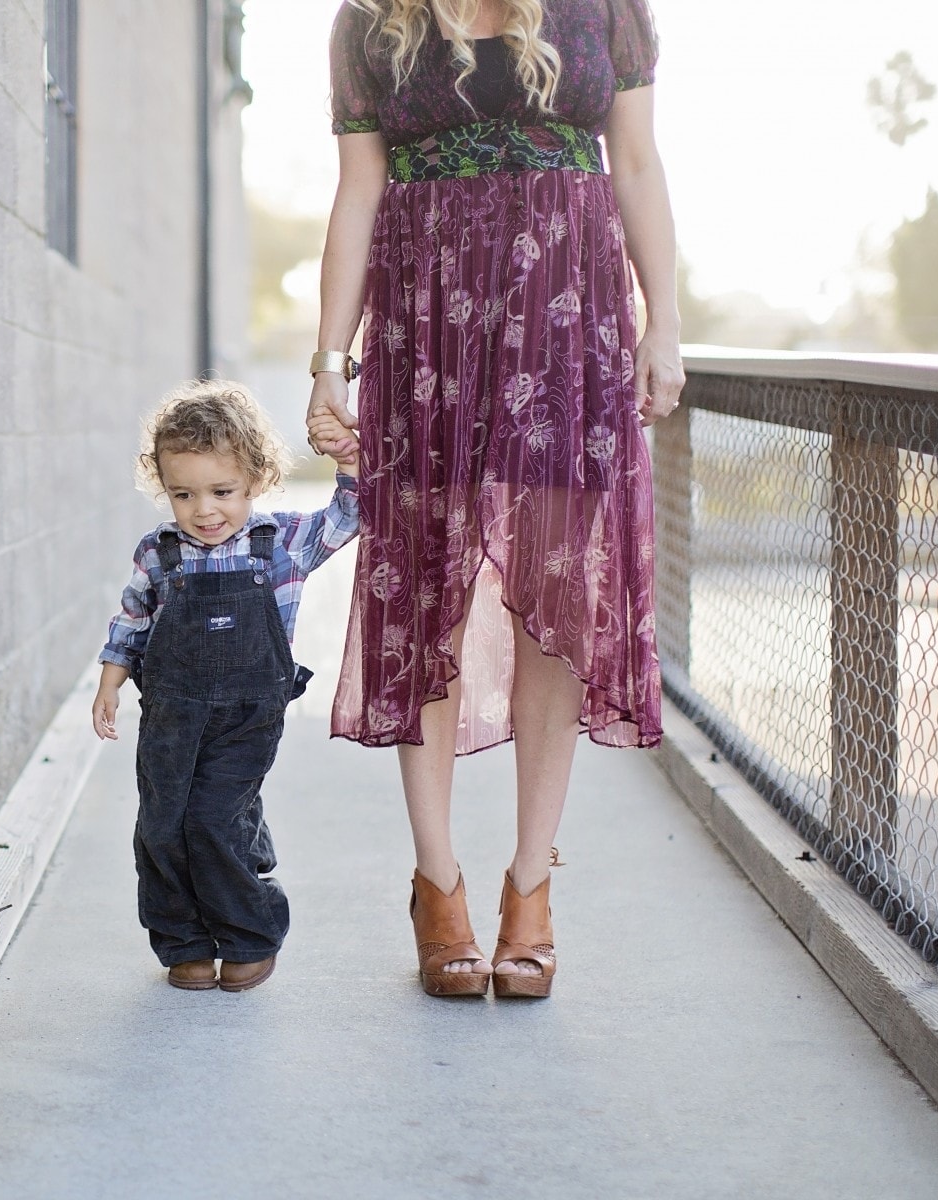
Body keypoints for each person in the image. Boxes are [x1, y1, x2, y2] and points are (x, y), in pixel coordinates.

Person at [307, 0, 686, 999]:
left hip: (567, 319)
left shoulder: (606, 11)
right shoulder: (368, 23)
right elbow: (357, 194)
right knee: (424, 593)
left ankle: (531, 888)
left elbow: (637, 167)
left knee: (554, 606)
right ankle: (439, 886)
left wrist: (665, 326)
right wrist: (327, 366)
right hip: (423, 328)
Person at [93, 381, 360, 992]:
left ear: (257, 478)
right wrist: (109, 685)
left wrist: (348, 460)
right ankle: (183, 939)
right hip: (171, 714)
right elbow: (132, 620)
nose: (204, 510)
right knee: (164, 822)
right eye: (183, 494)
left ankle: (248, 934)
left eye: (222, 491)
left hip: (248, 712)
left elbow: (350, 515)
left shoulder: (282, 543)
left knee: (215, 817)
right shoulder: (158, 554)